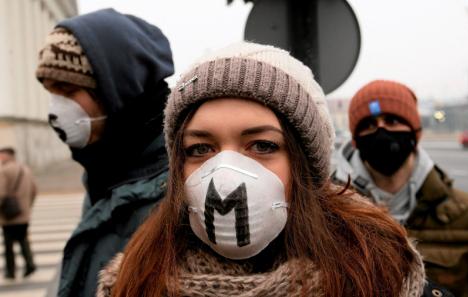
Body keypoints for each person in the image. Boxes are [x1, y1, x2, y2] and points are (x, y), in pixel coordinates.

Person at [94, 43, 431, 297]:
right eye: (200, 149)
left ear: (305, 166)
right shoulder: (133, 281)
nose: (225, 174)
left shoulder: (379, 272)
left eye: (262, 146)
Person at [35, 9, 173, 297]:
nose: (55, 110)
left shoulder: (177, 192)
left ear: (119, 89)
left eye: (68, 90)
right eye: (51, 92)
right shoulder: (107, 173)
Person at [332, 80, 468, 297]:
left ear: (415, 133)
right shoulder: (327, 211)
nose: (381, 131)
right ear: (355, 141)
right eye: (369, 125)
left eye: (392, 121)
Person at [0, 147, 37, 279]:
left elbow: (1, 193)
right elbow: (34, 190)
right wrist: (27, 206)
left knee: (8, 245)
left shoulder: (4, 171)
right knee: (23, 240)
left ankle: (11, 271)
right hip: (24, 213)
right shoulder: (25, 169)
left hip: (9, 215)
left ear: (6, 156)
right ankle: (30, 264)